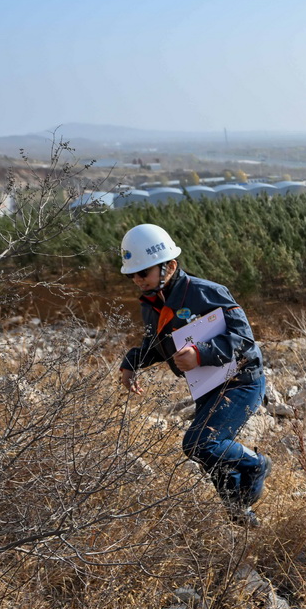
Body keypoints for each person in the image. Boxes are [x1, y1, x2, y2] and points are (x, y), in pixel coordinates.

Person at [118, 224, 272, 527]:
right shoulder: (151, 305)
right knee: (209, 456)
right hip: (208, 385)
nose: (137, 280)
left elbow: (243, 339)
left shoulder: (207, 292)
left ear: (170, 266)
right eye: (132, 275)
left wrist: (200, 353)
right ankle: (241, 517)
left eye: (143, 273)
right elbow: (157, 346)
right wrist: (131, 362)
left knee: (199, 443)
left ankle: (256, 464)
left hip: (242, 380)